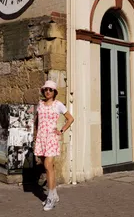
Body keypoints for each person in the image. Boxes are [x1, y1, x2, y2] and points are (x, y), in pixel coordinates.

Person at [34, 80, 74, 211]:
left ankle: (50, 198)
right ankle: (54, 194)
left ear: (54, 92)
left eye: (50, 90)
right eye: (45, 89)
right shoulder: (40, 104)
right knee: (49, 166)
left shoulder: (58, 105)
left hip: (51, 137)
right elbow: (37, 122)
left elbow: (70, 118)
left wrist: (61, 130)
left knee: (47, 165)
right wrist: (35, 136)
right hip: (41, 138)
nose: (47, 92)